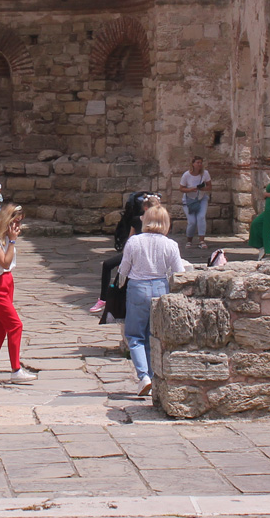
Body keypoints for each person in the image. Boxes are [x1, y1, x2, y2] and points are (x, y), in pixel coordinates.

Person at [119, 204, 186, 396]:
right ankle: (151, 375)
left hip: (138, 288)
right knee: (152, 335)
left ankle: (144, 376)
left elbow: (124, 269)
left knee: (134, 336)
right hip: (160, 288)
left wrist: (118, 287)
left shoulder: (134, 241)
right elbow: (179, 272)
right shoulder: (170, 244)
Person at [0, 203, 36, 383]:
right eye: (15, 221)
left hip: (6, 282)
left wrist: (10, 240)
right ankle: (16, 369)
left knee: (0, 328)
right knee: (15, 325)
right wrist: (12, 241)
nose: (18, 226)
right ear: (7, 220)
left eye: (20, 222)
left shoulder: (3, 238)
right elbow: (4, 262)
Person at [90, 191, 155, 314]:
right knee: (108, 264)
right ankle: (103, 299)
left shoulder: (158, 222)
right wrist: (125, 255)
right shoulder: (137, 220)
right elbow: (130, 238)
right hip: (134, 251)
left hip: (149, 254)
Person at [179, 157, 211, 249]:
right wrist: (190, 190)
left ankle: (201, 241)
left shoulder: (205, 173)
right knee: (192, 221)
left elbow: (209, 186)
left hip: (201, 199)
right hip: (189, 200)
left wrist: (203, 188)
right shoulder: (186, 175)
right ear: (193, 164)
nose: (199, 164)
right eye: (197, 162)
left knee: (201, 217)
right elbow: (181, 188)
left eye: (201, 163)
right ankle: (189, 241)